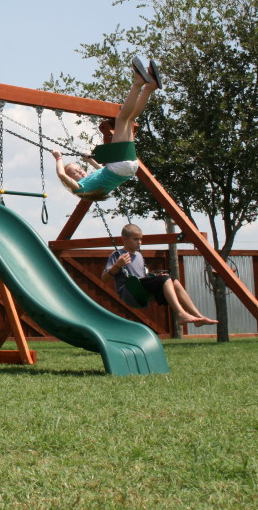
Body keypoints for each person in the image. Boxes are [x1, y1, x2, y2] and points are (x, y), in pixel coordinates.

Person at [52, 56, 160, 201]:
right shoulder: (79, 189)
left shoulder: (92, 185)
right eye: (75, 173)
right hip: (120, 166)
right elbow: (61, 174)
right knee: (122, 118)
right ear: (71, 181)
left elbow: (101, 170)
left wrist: (90, 161)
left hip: (129, 169)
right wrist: (58, 157)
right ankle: (138, 83)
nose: (80, 172)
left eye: (80, 169)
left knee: (129, 119)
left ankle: (149, 87)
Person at [103, 223, 218, 326]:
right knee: (165, 279)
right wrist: (117, 265)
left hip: (141, 289)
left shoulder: (138, 255)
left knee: (174, 281)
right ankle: (180, 314)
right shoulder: (118, 254)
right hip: (130, 291)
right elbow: (104, 278)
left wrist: (155, 276)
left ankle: (198, 316)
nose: (139, 242)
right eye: (135, 239)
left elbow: (144, 276)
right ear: (124, 239)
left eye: (141, 239)